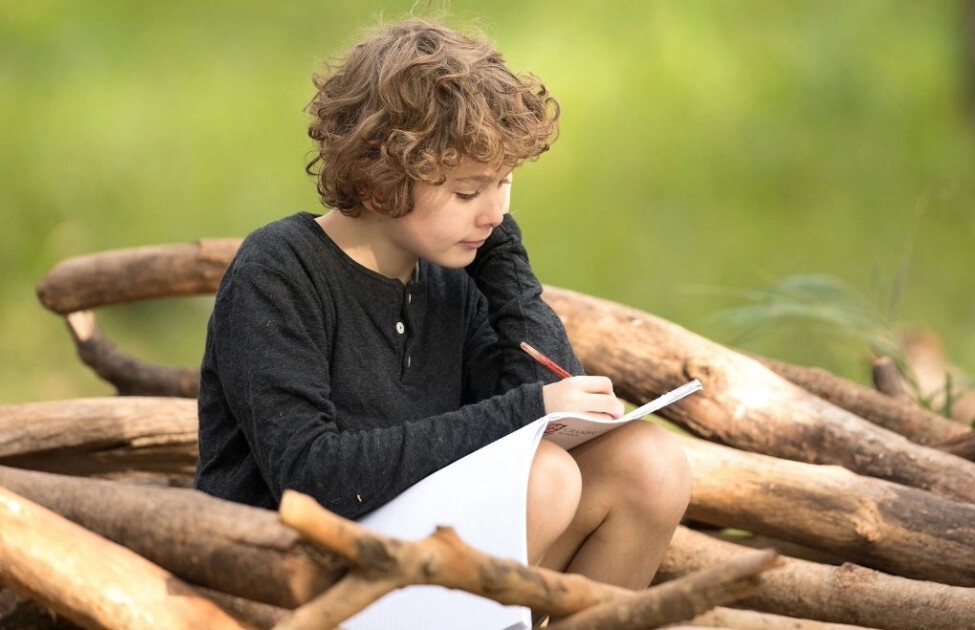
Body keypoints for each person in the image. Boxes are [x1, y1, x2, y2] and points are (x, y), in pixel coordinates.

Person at [194, 17, 692, 590]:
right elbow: (313, 478)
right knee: (545, 480)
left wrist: (506, 265)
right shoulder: (279, 270)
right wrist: (524, 411)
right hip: (289, 573)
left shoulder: (452, 273)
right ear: (379, 183)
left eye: (505, 182)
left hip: (419, 554)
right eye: (467, 191)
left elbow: (548, 418)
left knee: (649, 465)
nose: (495, 211)